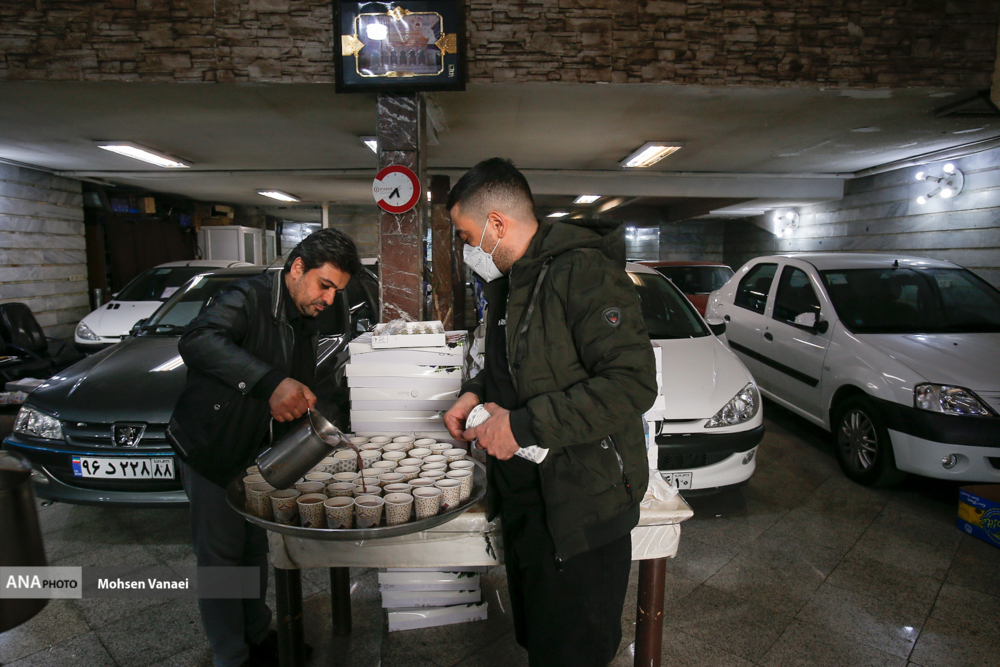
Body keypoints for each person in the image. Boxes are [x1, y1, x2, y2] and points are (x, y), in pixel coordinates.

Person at [443, 158, 657, 667]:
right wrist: (475, 392)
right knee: (543, 644)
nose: (466, 248)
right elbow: (517, 365)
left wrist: (521, 426)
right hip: (527, 503)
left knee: (574, 653)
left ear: (496, 223)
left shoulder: (584, 272)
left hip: (580, 506)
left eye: (467, 235)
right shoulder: (509, 282)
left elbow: (631, 384)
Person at [167, 228, 361, 667]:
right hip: (214, 447)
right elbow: (197, 341)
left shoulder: (316, 314)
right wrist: (269, 383)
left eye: (337, 290)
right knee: (220, 559)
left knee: (254, 549)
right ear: (296, 269)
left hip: (259, 455)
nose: (329, 298)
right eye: (324, 285)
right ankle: (230, 656)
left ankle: (256, 632)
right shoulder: (247, 298)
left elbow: (321, 380)